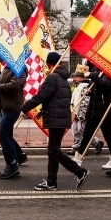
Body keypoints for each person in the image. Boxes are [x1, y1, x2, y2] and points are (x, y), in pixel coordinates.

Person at [21, 52, 89, 191]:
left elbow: (40, 96)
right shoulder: (62, 78)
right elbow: (54, 99)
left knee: (53, 150)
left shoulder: (52, 78)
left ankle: (79, 171)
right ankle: (51, 181)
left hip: (56, 119)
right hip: (60, 117)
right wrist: (42, 111)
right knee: (53, 150)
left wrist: (24, 109)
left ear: (50, 64)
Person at [0, 61, 27, 179]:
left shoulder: (20, 68)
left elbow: (14, 85)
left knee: (2, 135)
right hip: (5, 106)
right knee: (8, 136)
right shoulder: (7, 68)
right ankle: (14, 164)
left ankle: (11, 164)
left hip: (13, 107)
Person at [77, 67, 111, 169]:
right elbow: (96, 88)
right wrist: (88, 91)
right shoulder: (99, 72)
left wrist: (91, 75)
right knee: (87, 135)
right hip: (94, 111)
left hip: (104, 111)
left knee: (108, 135)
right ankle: (78, 158)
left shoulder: (109, 73)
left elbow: (104, 85)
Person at [69, 65, 102, 159]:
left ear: (83, 77)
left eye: (78, 76)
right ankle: (77, 146)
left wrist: (82, 114)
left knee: (82, 130)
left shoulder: (86, 86)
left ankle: (93, 143)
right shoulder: (79, 85)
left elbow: (85, 102)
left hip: (81, 113)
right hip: (76, 111)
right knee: (75, 130)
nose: (76, 78)